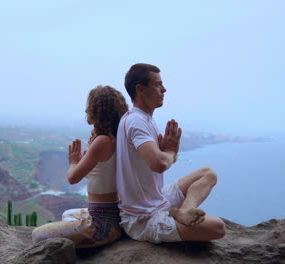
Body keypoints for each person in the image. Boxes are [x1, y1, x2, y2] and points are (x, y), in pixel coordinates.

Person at [116, 63, 226, 243]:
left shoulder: (144, 119)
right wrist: (170, 152)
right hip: (142, 219)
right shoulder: (136, 121)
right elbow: (158, 164)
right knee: (217, 227)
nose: (164, 89)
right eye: (158, 84)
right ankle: (180, 214)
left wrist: (168, 153)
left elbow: (160, 160)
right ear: (140, 89)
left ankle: (184, 212)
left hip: (157, 201)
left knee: (207, 173)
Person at [32, 85, 129, 248]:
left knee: (37, 235)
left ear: (97, 111)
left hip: (102, 223)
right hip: (114, 216)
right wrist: (80, 164)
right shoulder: (118, 138)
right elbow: (100, 176)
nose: (85, 111)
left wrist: (73, 163)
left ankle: (99, 237)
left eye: (89, 106)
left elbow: (72, 178)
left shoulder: (103, 141)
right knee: (67, 213)